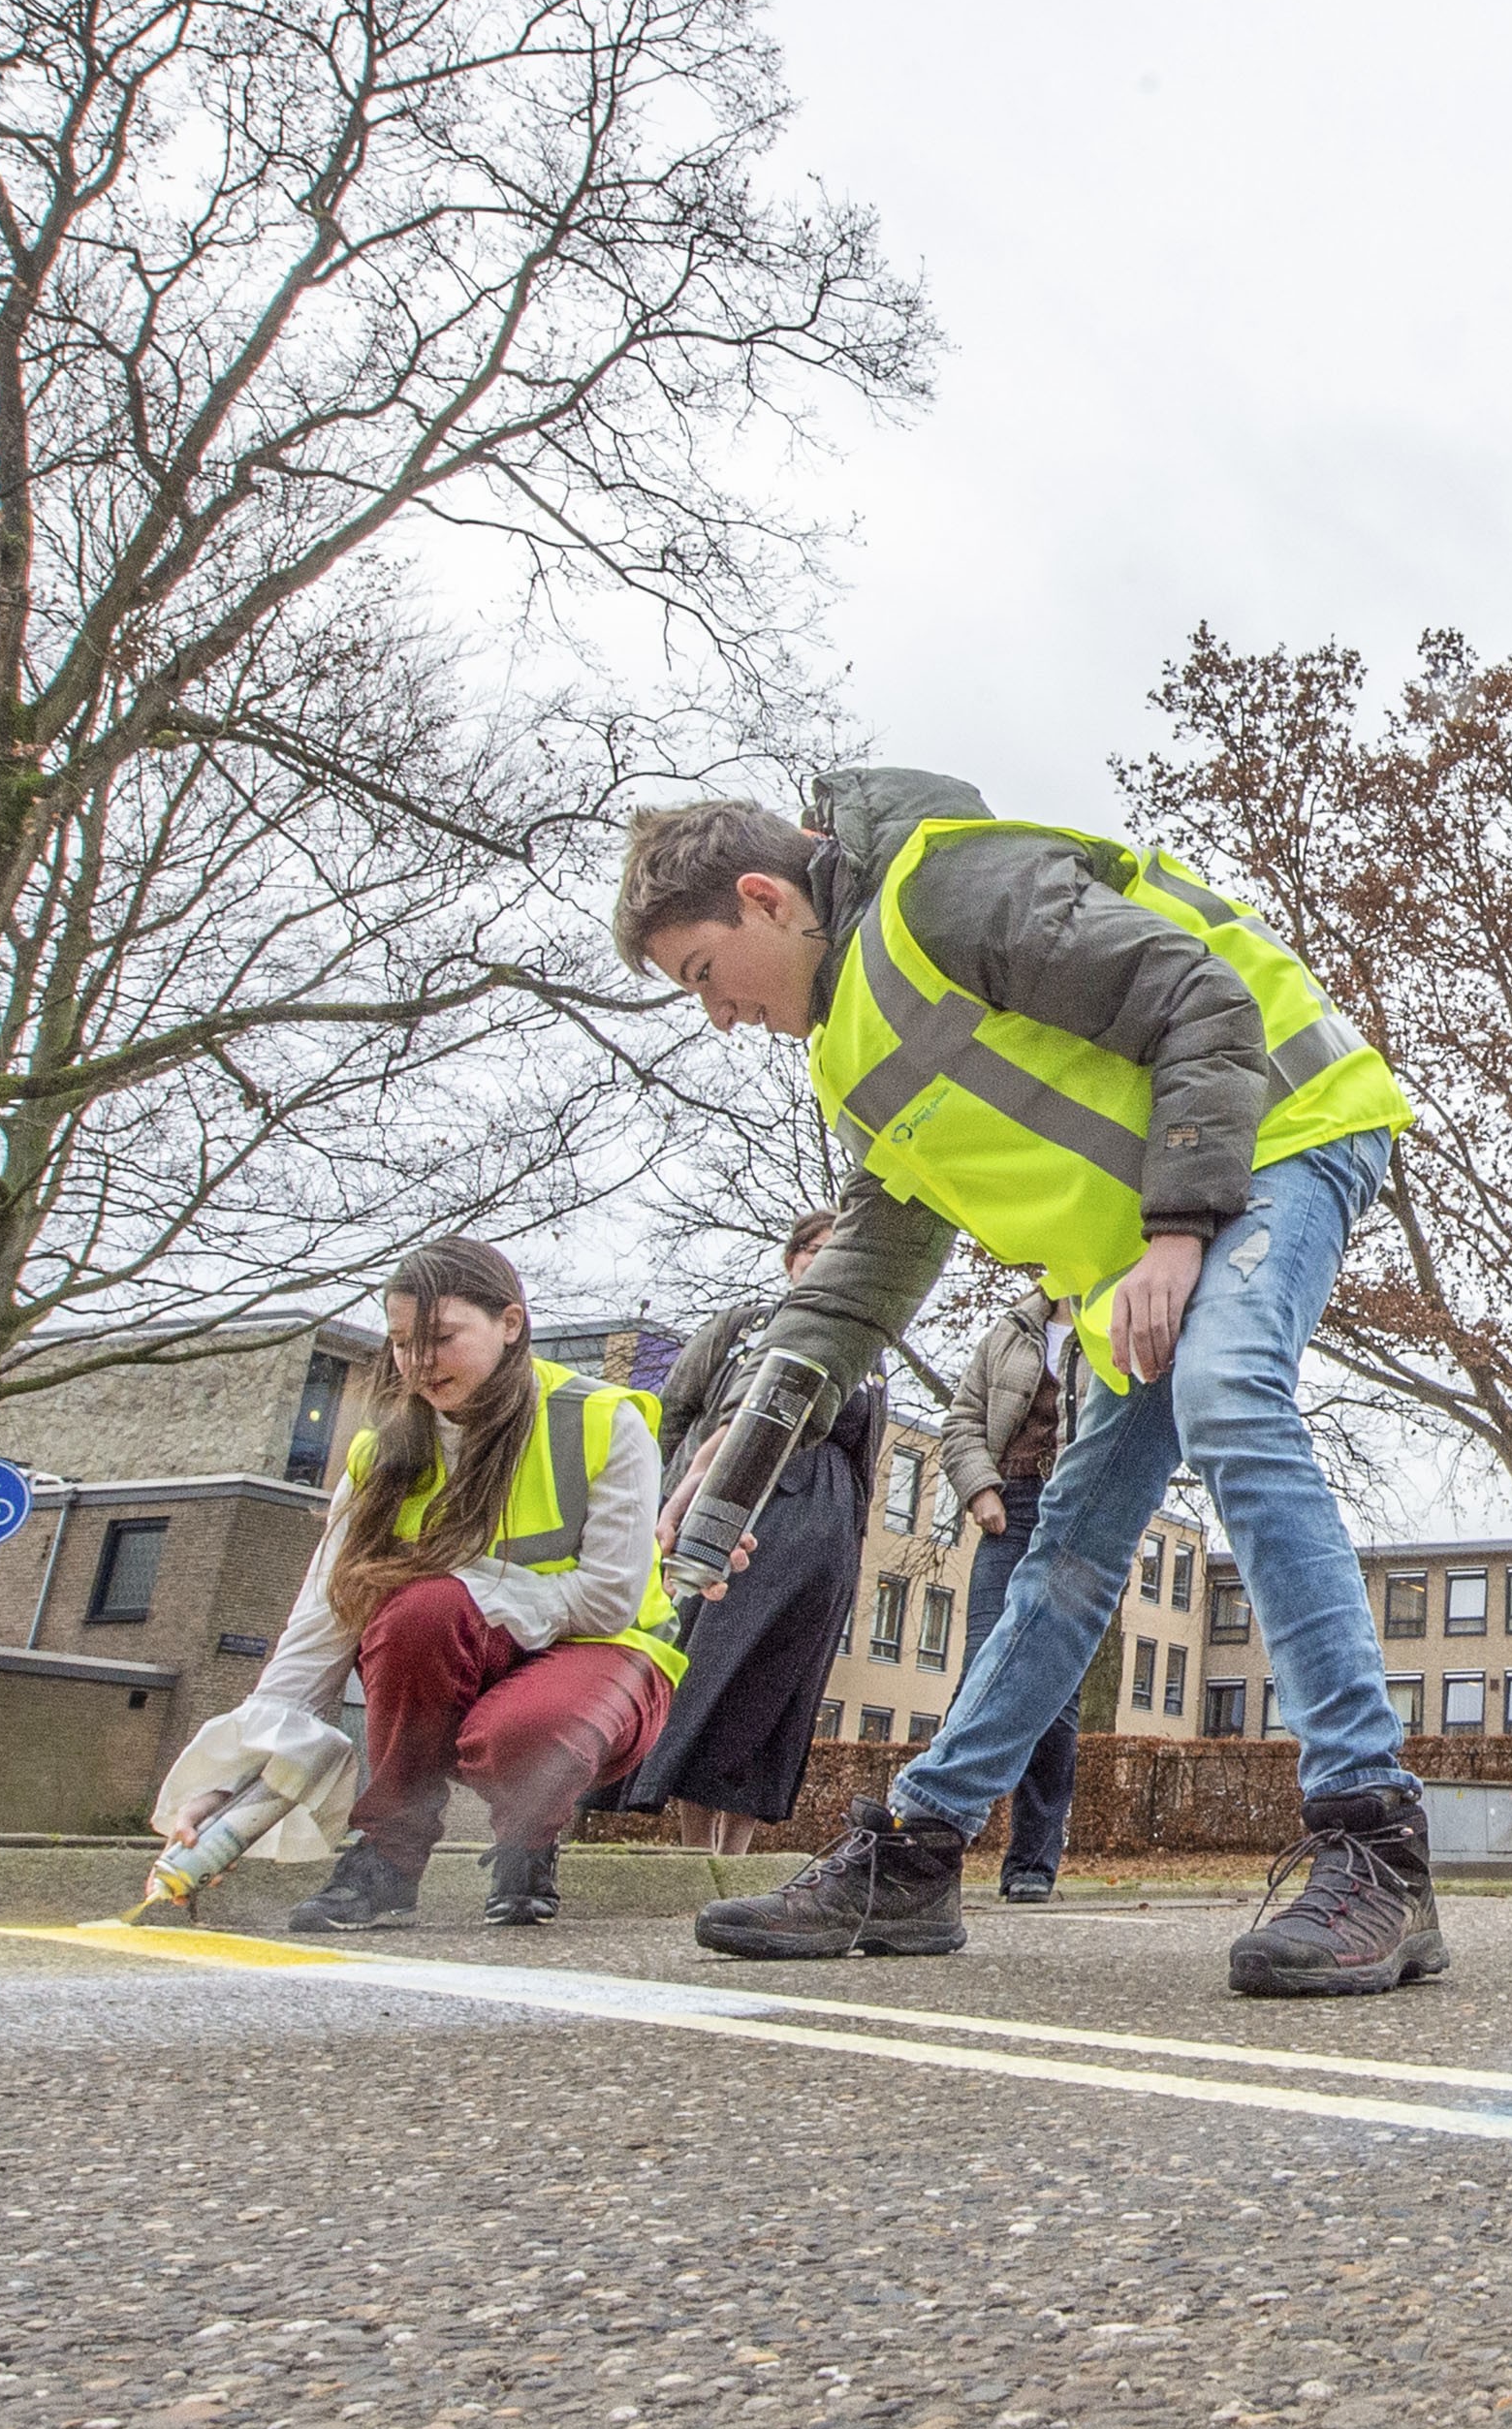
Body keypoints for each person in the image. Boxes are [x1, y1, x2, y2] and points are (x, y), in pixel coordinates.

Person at [616, 769, 1443, 1999]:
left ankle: (1375, 1841)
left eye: (701, 973)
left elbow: (1196, 993)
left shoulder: (942, 888)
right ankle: (917, 1850)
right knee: (1069, 1549)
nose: (717, 1015)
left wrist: (1178, 1228)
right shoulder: (848, 1064)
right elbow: (862, 1281)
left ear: (762, 897)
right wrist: (736, 1461)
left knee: (1230, 1393)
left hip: (1277, 1129)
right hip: (1152, 1241)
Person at [222, 1236, 680, 1934]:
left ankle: (527, 1845)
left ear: (511, 1324)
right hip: (468, 1650)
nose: (419, 1363)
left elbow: (610, 1597)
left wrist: (474, 1593)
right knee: (416, 1612)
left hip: (606, 1657)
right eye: (403, 1343)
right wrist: (236, 1781)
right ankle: (386, 1859)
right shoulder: (381, 1455)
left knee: (510, 1722)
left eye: (441, 1337)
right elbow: (322, 1619)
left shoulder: (602, 1419)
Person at [605, 1212, 887, 1862]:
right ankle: (695, 1848)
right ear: (792, 1259)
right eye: (817, 1250)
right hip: (746, 1516)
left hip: (826, 1539)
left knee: (778, 1690)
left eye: (842, 1251)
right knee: (716, 1674)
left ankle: (738, 1850)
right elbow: (678, 1409)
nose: (827, 1262)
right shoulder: (744, 1327)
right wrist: (674, 1495)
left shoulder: (867, 1353)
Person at [933, 1278, 1087, 1902]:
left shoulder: (1113, 1317)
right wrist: (980, 1488)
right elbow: (963, 1421)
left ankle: (1031, 1861)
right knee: (981, 1672)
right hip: (1010, 1505)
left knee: (1056, 1691)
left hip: (1078, 1515)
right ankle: (931, 1842)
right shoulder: (1009, 1331)